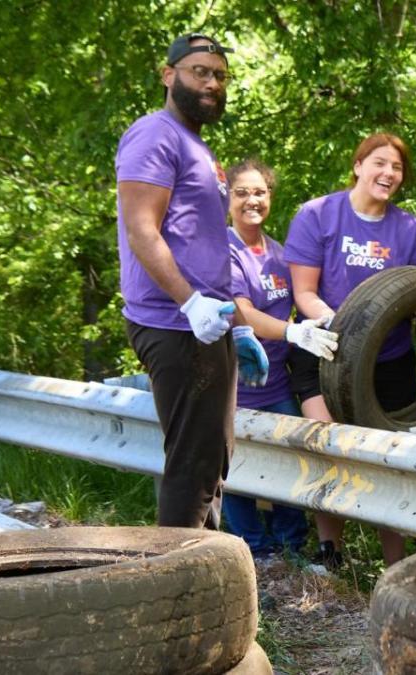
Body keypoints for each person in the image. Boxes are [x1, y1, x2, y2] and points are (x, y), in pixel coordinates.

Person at [117, 32, 270, 529]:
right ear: (168, 75)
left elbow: (198, 241)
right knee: (193, 467)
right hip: (174, 322)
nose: (211, 83)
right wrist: (191, 304)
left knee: (211, 460)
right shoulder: (153, 134)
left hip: (207, 323)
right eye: (199, 71)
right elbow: (142, 231)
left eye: (219, 75)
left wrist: (233, 322)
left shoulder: (196, 145)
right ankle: (175, 586)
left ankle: (206, 578)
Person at [282, 132, 416, 568]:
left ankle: (397, 565)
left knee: (390, 460)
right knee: (330, 449)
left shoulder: (410, 231)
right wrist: (340, 327)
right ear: (358, 165)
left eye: (397, 168)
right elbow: (304, 293)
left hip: (388, 361)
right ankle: (331, 553)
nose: (388, 173)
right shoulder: (317, 215)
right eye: (379, 163)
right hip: (323, 348)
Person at [223, 158, 338, 560]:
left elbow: (303, 300)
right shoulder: (224, 250)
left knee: (292, 460)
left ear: (270, 197)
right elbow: (242, 312)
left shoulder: (280, 253)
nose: (252, 200)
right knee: (237, 469)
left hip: (276, 382)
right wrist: (292, 330)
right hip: (234, 384)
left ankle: (291, 548)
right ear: (227, 197)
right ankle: (253, 549)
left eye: (260, 192)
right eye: (242, 192)